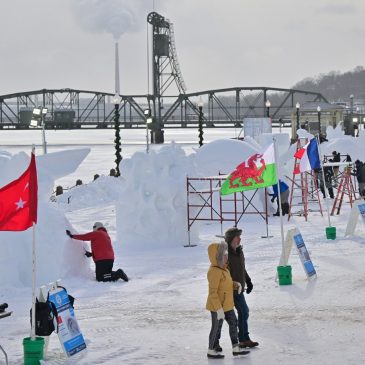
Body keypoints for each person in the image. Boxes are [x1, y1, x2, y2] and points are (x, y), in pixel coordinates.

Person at [206, 241, 250, 359]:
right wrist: (218, 309)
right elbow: (213, 293)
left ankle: (236, 348)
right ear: (217, 257)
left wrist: (236, 285)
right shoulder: (214, 272)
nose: (227, 256)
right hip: (217, 306)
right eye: (224, 254)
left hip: (227, 305)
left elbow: (227, 284)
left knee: (233, 323)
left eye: (226, 253)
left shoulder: (225, 269)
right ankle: (211, 350)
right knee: (216, 327)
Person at [225, 227, 259, 349]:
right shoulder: (226, 254)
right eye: (237, 237)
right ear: (231, 239)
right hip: (231, 289)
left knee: (243, 312)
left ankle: (243, 338)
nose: (240, 239)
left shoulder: (239, 251)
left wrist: (248, 281)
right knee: (243, 311)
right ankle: (243, 339)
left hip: (239, 288)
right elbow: (223, 272)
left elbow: (242, 268)